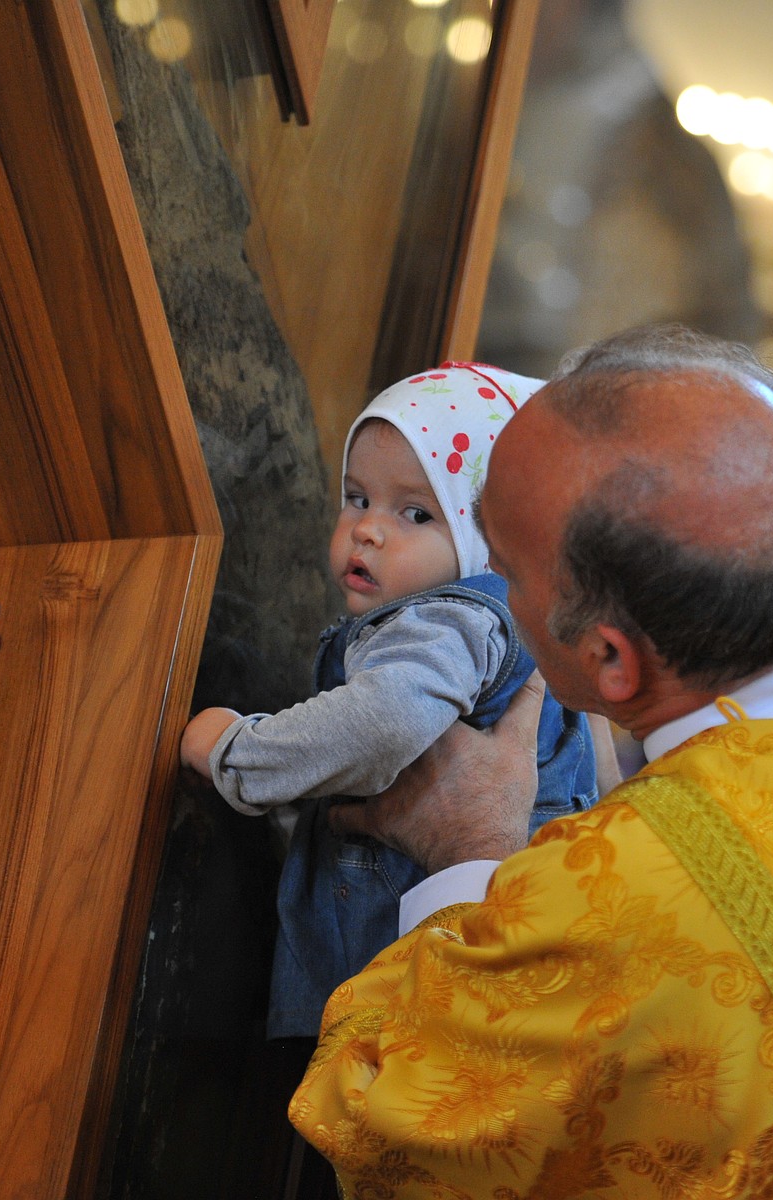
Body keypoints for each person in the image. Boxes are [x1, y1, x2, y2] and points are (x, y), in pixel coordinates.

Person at [288, 325, 773, 1197]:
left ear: (611, 659)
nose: (486, 577)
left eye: (505, 569)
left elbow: (379, 1119)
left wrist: (470, 855)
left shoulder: (619, 898)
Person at [180, 362, 607, 1038]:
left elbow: (384, 723)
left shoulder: (449, 622)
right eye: (356, 497)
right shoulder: (504, 626)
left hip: (402, 985)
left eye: (416, 513)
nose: (369, 530)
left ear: (491, 543)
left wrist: (239, 753)